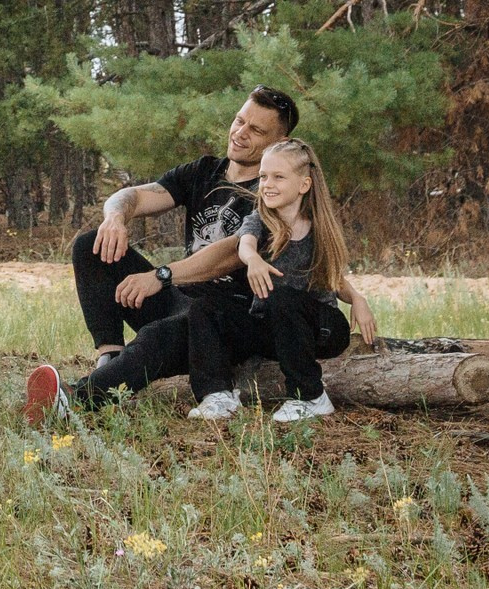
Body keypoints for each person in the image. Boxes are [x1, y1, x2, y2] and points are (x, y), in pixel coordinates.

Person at [23, 84, 298, 422]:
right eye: (239, 121)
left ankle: (75, 401)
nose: (240, 133)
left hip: (222, 321)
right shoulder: (203, 171)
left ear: (278, 143)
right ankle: (110, 357)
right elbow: (135, 196)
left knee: (160, 335)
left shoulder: (274, 190)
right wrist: (115, 218)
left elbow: (232, 253)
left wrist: (161, 275)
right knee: (91, 246)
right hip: (180, 298)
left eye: (256, 130)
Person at [184, 138, 378, 423]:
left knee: (282, 297)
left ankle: (310, 397)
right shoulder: (259, 220)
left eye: (278, 177)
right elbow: (245, 245)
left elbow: (333, 277)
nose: (267, 184)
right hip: (274, 330)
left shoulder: (317, 228)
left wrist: (358, 299)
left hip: (320, 329)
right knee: (205, 309)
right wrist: (252, 260)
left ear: (304, 185)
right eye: (263, 176)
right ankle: (218, 395)